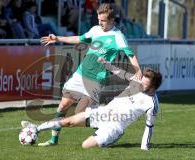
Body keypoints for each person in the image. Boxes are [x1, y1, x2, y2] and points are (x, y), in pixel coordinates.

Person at [38, 3, 142, 147]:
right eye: (99, 20)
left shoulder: (118, 37)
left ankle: (111, 130)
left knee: (81, 113)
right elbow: (79, 38)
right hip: (80, 75)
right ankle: (53, 140)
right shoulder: (95, 30)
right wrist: (58, 38)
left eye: (103, 21)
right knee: (63, 106)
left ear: (112, 20)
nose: (100, 23)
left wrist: (138, 71)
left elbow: (130, 55)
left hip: (95, 81)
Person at [21, 60, 162, 150]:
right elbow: (120, 72)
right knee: (68, 121)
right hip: (103, 113)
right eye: (142, 80)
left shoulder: (152, 103)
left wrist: (144, 148)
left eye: (145, 83)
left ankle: (108, 139)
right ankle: (36, 129)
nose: (140, 84)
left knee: (85, 146)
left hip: (114, 126)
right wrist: (106, 64)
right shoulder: (136, 82)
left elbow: (149, 127)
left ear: (153, 87)